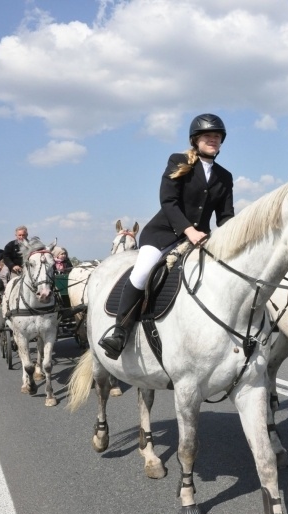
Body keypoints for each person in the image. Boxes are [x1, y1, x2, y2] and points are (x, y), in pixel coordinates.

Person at [98, 113, 235, 360]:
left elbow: (225, 216)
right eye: (208, 136)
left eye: (217, 136)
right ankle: (119, 331)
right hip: (164, 234)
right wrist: (189, 230)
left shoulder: (224, 176)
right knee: (141, 273)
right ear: (195, 139)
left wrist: (234, 237)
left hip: (200, 239)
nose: (213, 140)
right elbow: (168, 202)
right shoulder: (179, 160)